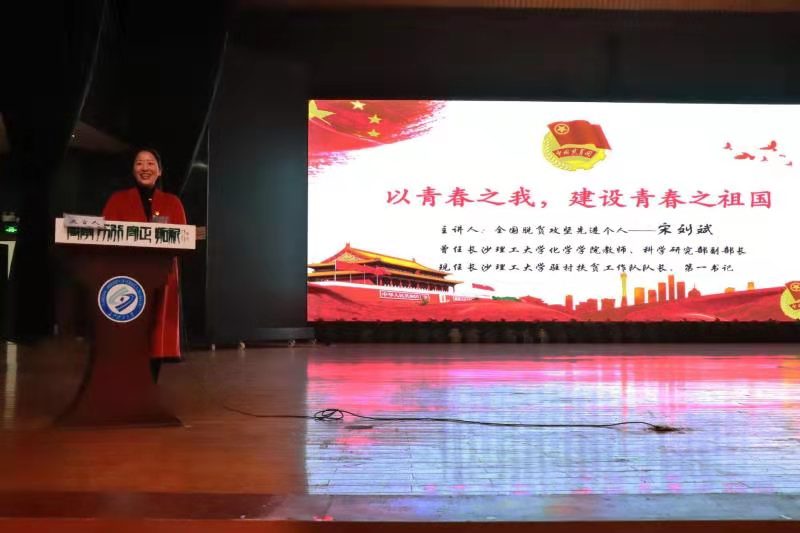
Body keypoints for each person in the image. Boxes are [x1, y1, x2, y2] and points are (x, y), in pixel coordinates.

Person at [102, 149, 187, 382]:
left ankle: (150, 384)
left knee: (156, 334)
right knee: (129, 333)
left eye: (150, 163)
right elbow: (104, 238)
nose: (145, 168)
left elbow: (183, 239)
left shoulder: (172, 203)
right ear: (133, 169)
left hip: (161, 277)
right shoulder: (118, 200)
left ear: (160, 171)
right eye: (139, 163)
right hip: (127, 279)